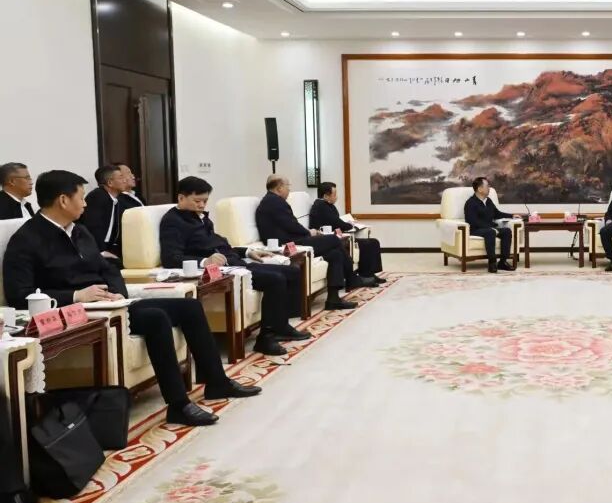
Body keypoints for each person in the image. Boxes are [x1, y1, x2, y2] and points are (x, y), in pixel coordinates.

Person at [2, 170, 259, 427]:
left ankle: (217, 382)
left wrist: (118, 292)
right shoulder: (27, 239)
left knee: (189, 307)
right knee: (156, 318)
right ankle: (178, 405)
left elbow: (108, 269)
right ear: (63, 200)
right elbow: (19, 294)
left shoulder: (79, 231)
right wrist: (76, 295)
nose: (85, 204)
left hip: (112, 304)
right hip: (77, 313)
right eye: (81, 197)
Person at [160, 176, 312, 356]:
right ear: (181, 198)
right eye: (197, 201)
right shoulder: (173, 221)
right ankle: (266, 337)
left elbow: (220, 245)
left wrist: (247, 252)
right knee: (275, 279)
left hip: (234, 262)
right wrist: (205, 261)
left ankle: (281, 325)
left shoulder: (201, 218)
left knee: (292, 272)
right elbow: (171, 258)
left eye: (205, 201)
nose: (202, 205)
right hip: (222, 271)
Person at [256, 175, 370, 310]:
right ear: (279, 188)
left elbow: (289, 225)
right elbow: (291, 225)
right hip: (290, 244)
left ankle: (333, 299)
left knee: (335, 254)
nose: (289, 190)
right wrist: (309, 232)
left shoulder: (271, 201)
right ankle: (352, 278)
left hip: (292, 240)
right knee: (334, 239)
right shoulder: (275, 202)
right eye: (288, 186)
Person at [309, 181, 386, 284]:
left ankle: (370, 274)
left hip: (338, 237)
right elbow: (337, 223)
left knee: (374, 242)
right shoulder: (321, 206)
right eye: (334, 194)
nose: (336, 197)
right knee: (367, 244)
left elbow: (337, 221)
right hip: (330, 241)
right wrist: (351, 225)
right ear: (326, 196)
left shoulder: (328, 205)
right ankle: (365, 275)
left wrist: (348, 224)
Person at [463, 177, 518, 273]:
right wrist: (490, 228)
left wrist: (512, 215)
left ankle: (502, 262)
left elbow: (497, 213)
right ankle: (492, 263)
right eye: (487, 186)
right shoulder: (470, 203)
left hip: (490, 228)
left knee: (506, 231)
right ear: (480, 189)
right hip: (476, 230)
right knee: (490, 232)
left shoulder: (488, 201)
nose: (489, 188)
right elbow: (472, 221)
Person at [79, 164, 126, 266]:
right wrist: (101, 251)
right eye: (121, 177)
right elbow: (93, 227)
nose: (125, 180)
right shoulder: (97, 197)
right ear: (110, 183)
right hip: (95, 250)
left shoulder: (116, 199)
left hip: (109, 247)